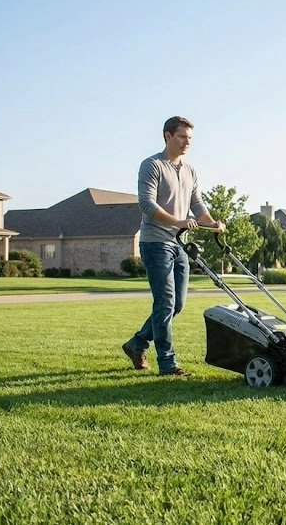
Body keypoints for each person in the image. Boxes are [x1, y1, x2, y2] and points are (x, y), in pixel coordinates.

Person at [122, 116, 225, 376]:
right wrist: (178, 221)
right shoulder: (152, 165)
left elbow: (198, 206)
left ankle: (136, 344)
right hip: (155, 242)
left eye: (190, 138)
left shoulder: (190, 170)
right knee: (165, 303)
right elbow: (147, 205)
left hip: (179, 244)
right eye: (182, 137)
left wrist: (213, 224)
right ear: (167, 136)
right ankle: (167, 363)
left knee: (176, 304)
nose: (187, 142)